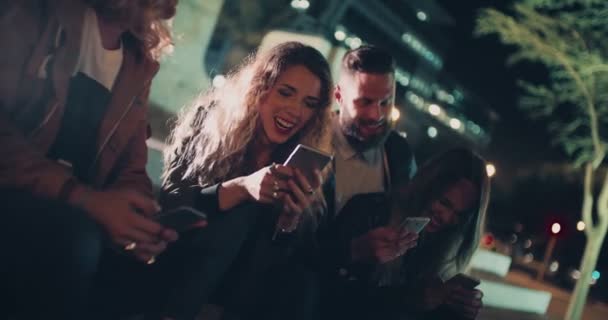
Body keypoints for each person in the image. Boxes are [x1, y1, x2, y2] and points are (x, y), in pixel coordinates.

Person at [0, 1, 216, 319]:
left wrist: (138, 223)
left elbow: (131, 168)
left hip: (77, 211)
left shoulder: (137, 62)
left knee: (160, 267)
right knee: (74, 240)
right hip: (22, 195)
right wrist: (84, 199)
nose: (169, 12)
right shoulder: (35, 13)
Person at [160, 41, 334, 319]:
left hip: (243, 293)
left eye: (309, 104)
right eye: (286, 93)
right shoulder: (210, 121)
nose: (295, 111)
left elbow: (285, 262)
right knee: (239, 216)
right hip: (180, 262)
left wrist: (288, 223)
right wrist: (240, 189)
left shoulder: (304, 161)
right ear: (259, 89)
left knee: (304, 282)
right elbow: (173, 204)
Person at [328, 148, 490, 320]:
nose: (447, 219)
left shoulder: (442, 245)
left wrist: (458, 308)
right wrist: (356, 251)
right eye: (444, 203)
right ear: (427, 185)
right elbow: (328, 292)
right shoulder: (369, 211)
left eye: (459, 215)